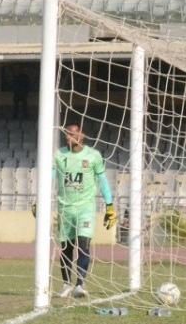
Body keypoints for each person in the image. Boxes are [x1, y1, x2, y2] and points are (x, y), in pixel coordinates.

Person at [52, 123, 115, 299]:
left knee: (83, 244)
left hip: (85, 207)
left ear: (81, 135)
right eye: (66, 134)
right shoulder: (58, 155)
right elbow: (50, 177)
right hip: (65, 208)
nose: (68, 137)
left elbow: (102, 181)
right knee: (66, 248)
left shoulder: (93, 156)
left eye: (72, 134)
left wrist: (109, 207)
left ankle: (80, 284)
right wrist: (39, 199)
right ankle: (66, 284)